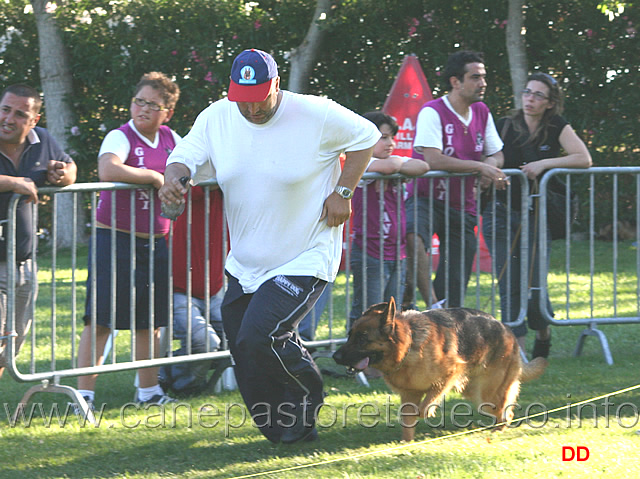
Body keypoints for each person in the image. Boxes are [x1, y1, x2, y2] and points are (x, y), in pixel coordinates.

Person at [159, 48, 380, 443]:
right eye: (243, 100)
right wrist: (172, 180)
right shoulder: (217, 117)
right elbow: (183, 158)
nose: (253, 109)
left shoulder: (315, 113)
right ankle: (283, 431)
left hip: (305, 255)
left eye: (260, 97)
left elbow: (368, 136)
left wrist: (343, 191)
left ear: (276, 84)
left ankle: (308, 397)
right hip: (244, 262)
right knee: (244, 350)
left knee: (259, 337)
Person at [76, 72, 181, 407]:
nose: (143, 109)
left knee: (150, 321)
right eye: (139, 101)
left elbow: (191, 168)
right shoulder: (120, 136)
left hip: (156, 240)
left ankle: (149, 393)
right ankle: (84, 395)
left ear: (167, 112)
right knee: (101, 319)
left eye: (153, 105)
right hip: (114, 238)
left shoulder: (171, 138)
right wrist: (153, 176)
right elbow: (108, 169)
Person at [481, 72, 592, 359]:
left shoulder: (556, 125)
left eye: (538, 95)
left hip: (537, 215)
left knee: (534, 285)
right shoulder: (505, 124)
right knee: (509, 282)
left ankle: (544, 333)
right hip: (501, 211)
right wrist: (493, 170)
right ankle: (516, 352)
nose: (530, 99)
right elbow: (491, 155)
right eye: (527, 92)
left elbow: (584, 158)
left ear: (550, 103)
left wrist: (545, 163)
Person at [402, 50, 506, 310]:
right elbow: (433, 160)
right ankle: (430, 303)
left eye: (483, 77)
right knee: (415, 237)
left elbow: (497, 153)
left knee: (456, 280)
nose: (483, 83)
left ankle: (441, 320)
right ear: (455, 81)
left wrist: (490, 166)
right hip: (426, 197)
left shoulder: (482, 111)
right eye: (475, 77)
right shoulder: (432, 111)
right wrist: (481, 167)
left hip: (462, 205)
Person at [0, 84, 77, 380]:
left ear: (34, 120)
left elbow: (71, 169)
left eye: (20, 114)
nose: (8, 118)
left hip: (24, 264)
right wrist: (13, 182)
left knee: (11, 347)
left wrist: (63, 174)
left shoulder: (42, 140)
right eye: (5, 109)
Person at [350, 111, 430, 322]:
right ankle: (358, 354)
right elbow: (390, 166)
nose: (390, 143)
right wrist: (400, 165)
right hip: (371, 251)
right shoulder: (362, 163)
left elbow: (423, 166)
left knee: (392, 312)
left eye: (392, 137)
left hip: (397, 251)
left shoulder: (394, 163)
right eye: (383, 137)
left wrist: (400, 165)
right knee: (368, 312)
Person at [158, 185, 225, 395]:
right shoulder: (181, 185)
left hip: (216, 287)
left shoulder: (227, 187)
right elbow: (193, 185)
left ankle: (166, 370)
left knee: (239, 341)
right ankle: (186, 386)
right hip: (178, 289)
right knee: (205, 342)